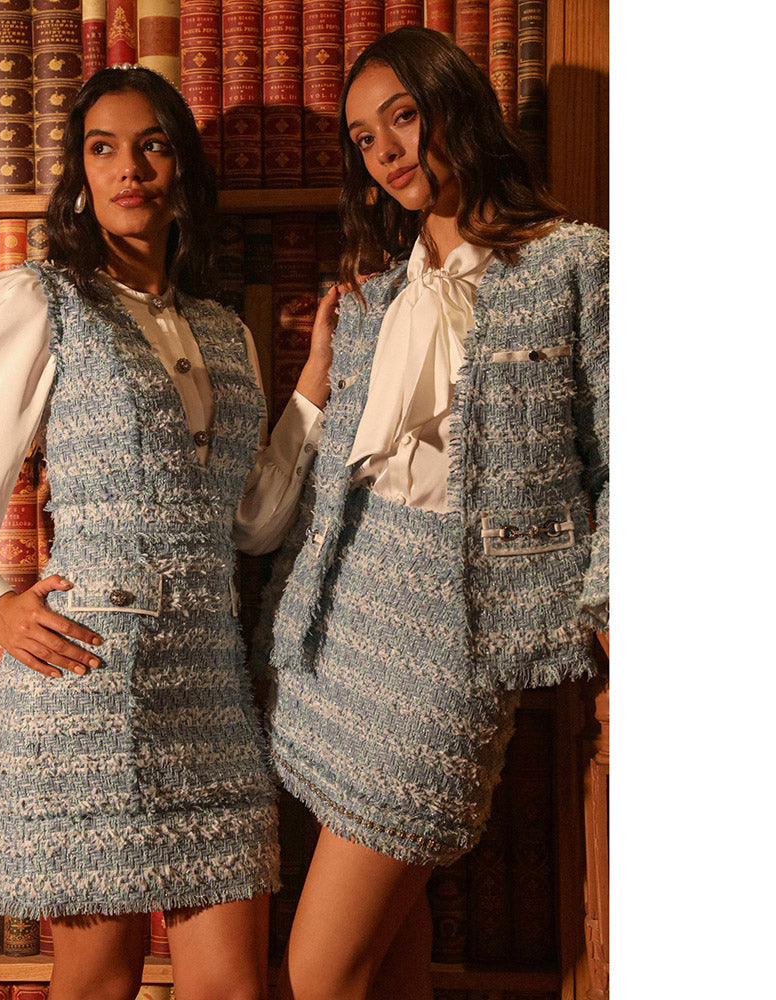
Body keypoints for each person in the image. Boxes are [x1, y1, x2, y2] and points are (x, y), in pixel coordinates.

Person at [0, 66, 335, 1000]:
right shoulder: (38, 301)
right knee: (96, 982)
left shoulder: (223, 330)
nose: (131, 169)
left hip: (211, 685)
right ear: (80, 174)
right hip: (83, 677)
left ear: (181, 168)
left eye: (153, 146)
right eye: (103, 148)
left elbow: (251, 524)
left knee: (234, 986)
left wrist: (316, 380)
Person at [261, 27, 608, 1000]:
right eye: (364, 138)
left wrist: (613, 615)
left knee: (318, 968)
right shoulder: (375, 298)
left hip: (460, 633)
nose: (387, 151)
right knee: (383, 952)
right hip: (340, 620)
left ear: (457, 105)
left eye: (403, 117)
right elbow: (330, 481)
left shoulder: (573, 264)